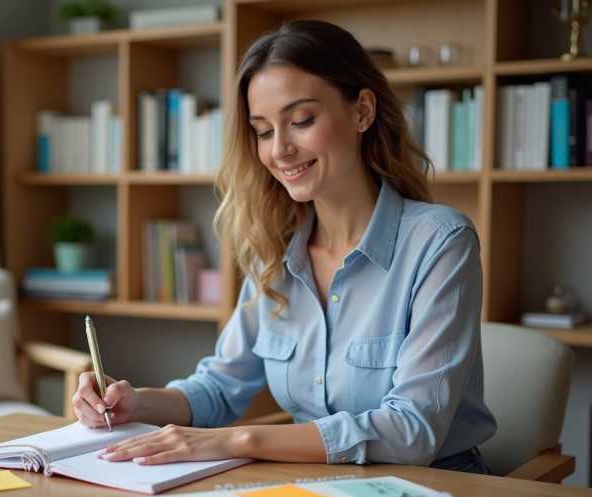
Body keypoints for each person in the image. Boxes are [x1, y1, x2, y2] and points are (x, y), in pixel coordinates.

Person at [72, 20, 496, 474]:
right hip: (313, 487)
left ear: (362, 111)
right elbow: (219, 388)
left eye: (301, 121)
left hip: (433, 490)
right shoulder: (271, 252)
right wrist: (135, 404)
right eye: (263, 131)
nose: (280, 150)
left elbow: (412, 432)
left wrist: (239, 440)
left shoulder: (440, 243)